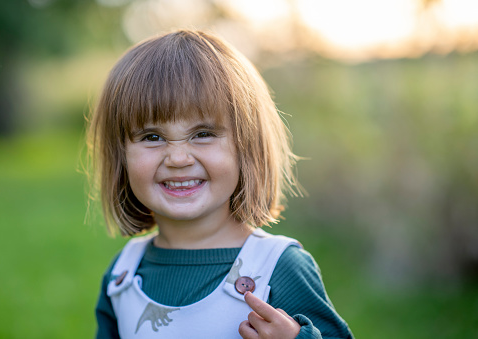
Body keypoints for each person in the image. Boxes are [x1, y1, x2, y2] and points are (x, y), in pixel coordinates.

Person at [88, 29, 353, 339]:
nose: (177, 158)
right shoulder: (123, 275)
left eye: (202, 134)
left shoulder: (278, 268)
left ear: (246, 146)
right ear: (122, 156)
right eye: (152, 137)